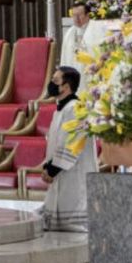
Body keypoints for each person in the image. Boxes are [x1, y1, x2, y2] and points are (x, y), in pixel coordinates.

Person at [39, 65, 96, 232]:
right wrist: (47, 165)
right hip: (61, 169)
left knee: (73, 223)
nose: (51, 84)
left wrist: (53, 169)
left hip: (73, 171)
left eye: (55, 81)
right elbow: (56, 141)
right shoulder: (61, 108)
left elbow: (72, 144)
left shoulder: (75, 108)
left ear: (66, 86)